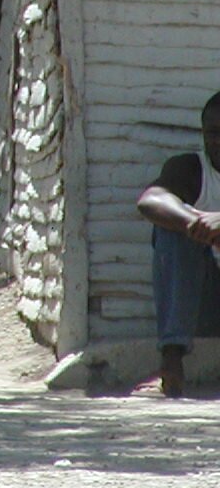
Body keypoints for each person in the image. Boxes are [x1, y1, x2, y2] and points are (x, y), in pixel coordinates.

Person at [135, 91, 220, 398]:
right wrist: (194, 223)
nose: (219, 142)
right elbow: (150, 200)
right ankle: (171, 359)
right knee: (173, 232)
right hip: (204, 303)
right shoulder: (191, 168)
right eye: (213, 133)